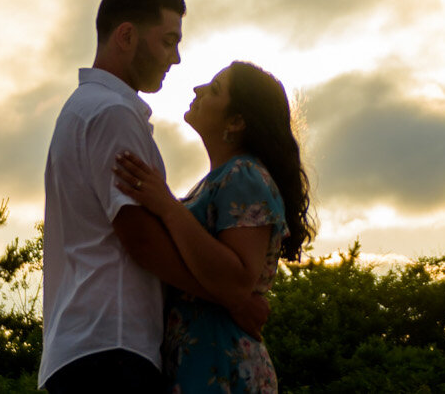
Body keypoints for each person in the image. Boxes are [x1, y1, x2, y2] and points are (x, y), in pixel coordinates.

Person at [39, 0, 267, 394]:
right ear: (126, 36)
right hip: (112, 346)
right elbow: (140, 239)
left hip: (86, 345)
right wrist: (230, 298)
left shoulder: (83, 111)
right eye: (167, 41)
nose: (176, 58)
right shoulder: (111, 113)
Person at [114, 61, 313, 394]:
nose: (198, 90)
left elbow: (237, 279)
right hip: (202, 363)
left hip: (224, 366)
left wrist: (167, 207)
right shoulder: (218, 181)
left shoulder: (244, 176)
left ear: (236, 122)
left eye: (215, 88)